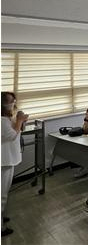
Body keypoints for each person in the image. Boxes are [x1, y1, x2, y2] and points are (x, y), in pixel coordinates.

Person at [1, 92, 29, 236]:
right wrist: (18, 120)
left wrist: (21, 121)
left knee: (4, 192)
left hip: (8, 159)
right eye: (11, 101)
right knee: (2, 194)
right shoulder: (2, 120)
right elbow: (12, 135)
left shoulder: (6, 118)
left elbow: (17, 131)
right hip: (3, 161)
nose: (14, 103)